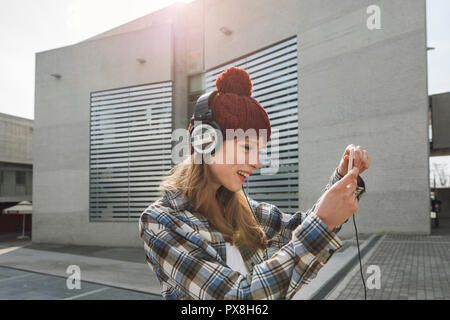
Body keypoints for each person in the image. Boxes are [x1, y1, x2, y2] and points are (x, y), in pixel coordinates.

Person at [138, 66, 370, 300]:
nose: (257, 163)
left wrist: (342, 178)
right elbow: (239, 298)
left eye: (259, 151)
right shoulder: (160, 222)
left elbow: (299, 228)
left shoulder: (243, 210)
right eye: (247, 147)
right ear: (205, 142)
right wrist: (323, 221)